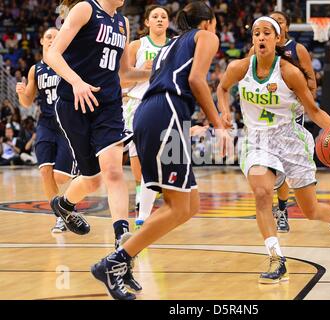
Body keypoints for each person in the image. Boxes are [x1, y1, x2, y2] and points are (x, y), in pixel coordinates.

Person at [90, 1, 231, 300]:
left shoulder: (171, 45)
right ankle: (116, 261)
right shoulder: (205, 36)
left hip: (152, 113)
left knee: (189, 205)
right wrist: (218, 123)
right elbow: (195, 80)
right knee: (179, 206)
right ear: (208, 22)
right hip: (167, 112)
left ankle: (123, 255)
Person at [217, 17, 330, 284]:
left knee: (311, 210)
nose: (260, 37)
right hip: (257, 140)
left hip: (290, 140)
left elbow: (313, 111)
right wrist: (224, 112)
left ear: (278, 39)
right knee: (261, 192)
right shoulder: (239, 68)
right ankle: (276, 258)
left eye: (266, 33)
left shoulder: (289, 73)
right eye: (256, 33)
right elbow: (222, 88)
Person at [45, 0, 152, 293]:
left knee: (114, 172)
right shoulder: (84, 9)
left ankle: (121, 253)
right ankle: (64, 204)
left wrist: (152, 75)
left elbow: (124, 74)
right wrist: (77, 82)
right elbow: (52, 54)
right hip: (74, 102)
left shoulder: (122, 22)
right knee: (92, 180)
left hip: (108, 107)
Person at [246, 11, 317, 234]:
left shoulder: (297, 50)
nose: (275, 23)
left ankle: (283, 209)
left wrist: (301, 98)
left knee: (284, 166)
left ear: (285, 28)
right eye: (272, 21)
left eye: (280, 21)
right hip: (263, 113)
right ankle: (277, 208)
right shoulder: (255, 50)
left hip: (289, 113)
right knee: (269, 169)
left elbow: (312, 82)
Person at [16, 27, 77, 233]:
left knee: (59, 177)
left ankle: (72, 188)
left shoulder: (69, 62)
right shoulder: (36, 69)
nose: (53, 40)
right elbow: (27, 102)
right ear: (42, 41)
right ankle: (60, 217)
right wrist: (22, 93)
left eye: (57, 37)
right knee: (45, 172)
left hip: (67, 124)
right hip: (46, 124)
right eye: (49, 37)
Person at [120, 5, 170, 230]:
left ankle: (150, 203)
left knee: (165, 160)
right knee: (138, 161)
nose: (160, 20)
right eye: (155, 17)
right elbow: (121, 80)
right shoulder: (136, 45)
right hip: (137, 105)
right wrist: (142, 70)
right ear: (147, 22)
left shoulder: (174, 47)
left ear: (168, 22)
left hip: (164, 105)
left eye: (164, 17)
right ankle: (143, 204)